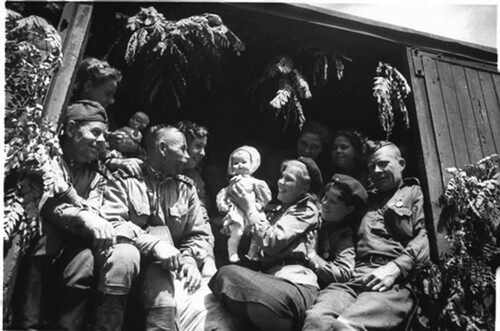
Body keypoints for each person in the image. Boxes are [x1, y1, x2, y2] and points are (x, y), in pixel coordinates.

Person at [95, 125, 221, 331]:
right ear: (162, 148)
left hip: (161, 266)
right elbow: (112, 221)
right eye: (182, 149)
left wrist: (189, 260)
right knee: (124, 256)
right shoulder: (125, 179)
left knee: (162, 287)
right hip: (121, 260)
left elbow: (197, 234)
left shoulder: (186, 188)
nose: (186, 156)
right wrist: (155, 245)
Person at [302, 141, 430, 330]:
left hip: (392, 283)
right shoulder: (363, 200)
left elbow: (423, 237)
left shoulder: (413, 192)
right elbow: (333, 215)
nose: (377, 170)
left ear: (401, 164)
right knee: (316, 321)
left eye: (383, 163)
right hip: (354, 278)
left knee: (346, 326)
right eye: (371, 167)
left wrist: (395, 268)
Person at [13, 100, 116, 330]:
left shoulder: (96, 175)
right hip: (44, 247)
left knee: (85, 261)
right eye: (95, 133)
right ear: (70, 130)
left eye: (104, 136)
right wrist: (80, 215)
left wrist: (78, 209)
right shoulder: (47, 161)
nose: (101, 142)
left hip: (74, 245)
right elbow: (43, 202)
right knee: (45, 237)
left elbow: (96, 212)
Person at [209, 157, 323, 331]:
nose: (281, 183)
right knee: (224, 275)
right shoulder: (275, 211)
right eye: (282, 177)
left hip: (293, 285)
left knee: (259, 294)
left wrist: (249, 208)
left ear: (305, 188)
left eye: (289, 179)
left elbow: (272, 241)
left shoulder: (306, 209)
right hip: (267, 280)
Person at [72, 56, 143, 176]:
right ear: (88, 86)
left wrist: (133, 147)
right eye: (107, 94)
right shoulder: (64, 114)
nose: (112, 101)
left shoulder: (107, 121)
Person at [216, 146, 271, 262]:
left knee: (258, 230)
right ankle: (232, 252)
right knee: (237, 232)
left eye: (244, 162)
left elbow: (265, 196)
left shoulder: (255, 182)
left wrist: (260, 204)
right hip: (237, 211)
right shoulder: (231, 183)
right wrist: (223, 205)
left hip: (253, 210)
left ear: (252, 164)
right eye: (236, 163)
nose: (240, 165)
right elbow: (223, 195)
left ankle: (253, 252)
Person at [261, 120, 332, 200]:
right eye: (303, 144)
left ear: (322, 149)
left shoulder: (325, 168)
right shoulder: (279, 160)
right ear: (297, 141)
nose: (307, 150)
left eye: (314, 147)